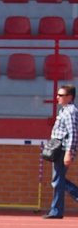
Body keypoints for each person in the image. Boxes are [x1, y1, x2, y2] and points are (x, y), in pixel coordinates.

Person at [44, 84, 78, 219]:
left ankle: (56, 211)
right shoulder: (64, 111)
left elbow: (73, 133)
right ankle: (56, 210)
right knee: (58, 179)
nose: (57, 97)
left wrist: (69, 152)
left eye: (61, 95)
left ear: (70, 97)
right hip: (58, 149)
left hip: (63, 149)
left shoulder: (70, 112)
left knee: (57, 180)